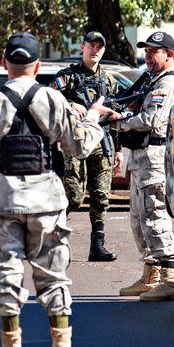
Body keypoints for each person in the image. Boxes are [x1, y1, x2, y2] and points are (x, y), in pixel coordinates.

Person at [0, 32, 119, 347]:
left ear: (4, 63)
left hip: (2, 200)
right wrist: (95, 117)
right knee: (54, 276)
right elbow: (80, 147)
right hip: (46, 201)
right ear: (38, 65)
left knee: (7, 275)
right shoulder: (53, 101)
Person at [115, 31, 174, 301]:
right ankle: (151, 275)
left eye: (154, 52)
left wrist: (119, 121)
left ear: (169, 54)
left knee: (155, 217)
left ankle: (170, 281)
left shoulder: (168, 84)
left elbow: (151, 119)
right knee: (139, 219)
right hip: (141, 158)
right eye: (146, 51)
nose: (148, 56)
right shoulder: (153, 80)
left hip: (155, 158)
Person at [50, 31, 122, 262]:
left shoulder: (109, 80)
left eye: (100, 47)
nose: (96, 50)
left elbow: (115, 113)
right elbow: (48, 96)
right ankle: (48, 234)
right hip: (75, 142)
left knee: (101, 195)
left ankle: (97, 246)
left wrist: (118, 148)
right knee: (74, 196)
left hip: (102, 142)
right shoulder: (68, 76)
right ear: (82, 47)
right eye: (91, 46)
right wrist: (69, 103)